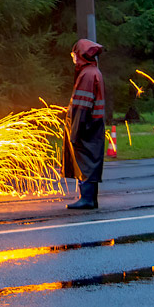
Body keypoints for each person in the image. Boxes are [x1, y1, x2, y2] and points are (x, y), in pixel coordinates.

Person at [63, 38, 106, 210]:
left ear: (80, 55)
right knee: (90, 159)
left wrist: (75, 131)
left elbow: (82, 106)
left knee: (85, 160)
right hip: (93, 125)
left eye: (74, 54)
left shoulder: (87, 75)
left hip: (87, 126)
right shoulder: (93, 71)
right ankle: (88, 197)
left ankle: (87, 198)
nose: (73, 58)